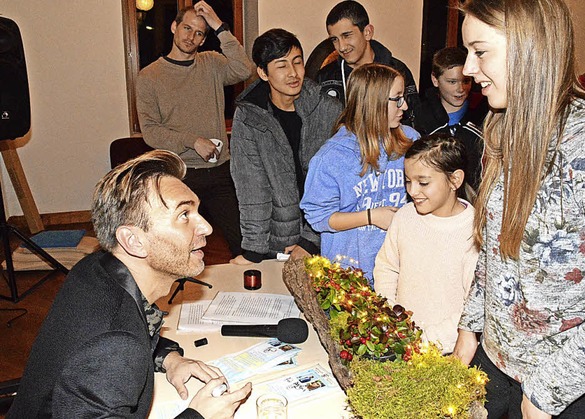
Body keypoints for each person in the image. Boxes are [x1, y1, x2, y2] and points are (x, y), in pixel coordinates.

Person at [452, 0, 585, 418]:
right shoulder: (502, 126)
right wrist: (469, 329)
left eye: (480, 51)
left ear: (530, 46)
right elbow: (495, 250)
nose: (467, 68)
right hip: (495, 362)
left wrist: (545, 393)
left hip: (567, 384)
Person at [7, 150, 252, 418]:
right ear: (133, 241)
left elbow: (128, 328)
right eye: (184, 215)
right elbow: (114, 343)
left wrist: (170, 358)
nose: (206, 227)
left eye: (196, 211)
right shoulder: (114, 346)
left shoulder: (96, 268)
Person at [136, 1, 253, 257]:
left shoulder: (211, 63)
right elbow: (151, 132)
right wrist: (193, 141)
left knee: (243, 245)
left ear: (203, 40)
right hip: (179, 174)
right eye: (187, 28)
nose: (191, 37)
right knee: (176, 250)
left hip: (220, 171)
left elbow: (245, 68)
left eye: (200, 33)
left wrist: (219, 27)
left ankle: (247, 296)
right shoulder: (149, 77)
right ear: (174, 27)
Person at [229, 29, 342, 265]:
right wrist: (253, 251)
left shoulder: (328, 108)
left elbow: (337, 182)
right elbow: (252, 186)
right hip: (279, 242)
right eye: (281, 66)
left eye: (297, 62)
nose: (293, 73)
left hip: (328, 235)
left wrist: (310, 241)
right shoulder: (249, 117)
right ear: (263, 72)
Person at [301, 63, 420, 286]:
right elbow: (318, 218)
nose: (404, 106)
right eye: (397, 98)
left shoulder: (412, 141)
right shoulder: (331, 157)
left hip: (401, 271)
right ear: (373, 102)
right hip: (350, 280)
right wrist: (371, 216)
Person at [374, 134, 478, 354]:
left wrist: (422, 340)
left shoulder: (474, 233)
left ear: (455, 180)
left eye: (423, 182)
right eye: (408, 181)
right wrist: (391, 317)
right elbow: (387, 267)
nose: (412, 191)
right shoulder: (405, 216)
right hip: (399, 339)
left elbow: (472, 307)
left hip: (445, 352)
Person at [316, 0, 424, 131]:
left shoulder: (397, 70)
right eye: (335, 39)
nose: (341, 47)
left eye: (347, 36)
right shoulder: (325, 78)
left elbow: (414, 121)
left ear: (367, 32)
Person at [419, 46, 488, 191]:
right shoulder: (420, 118)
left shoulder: (484, 116)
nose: (460, 89)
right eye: (452, 82)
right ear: (435, 80)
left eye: (466, 81)